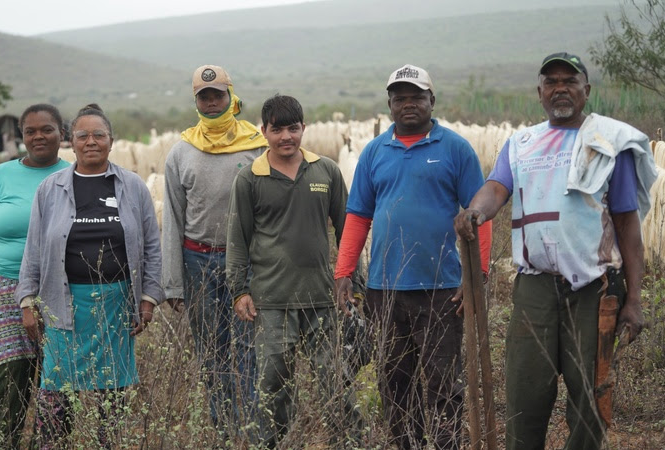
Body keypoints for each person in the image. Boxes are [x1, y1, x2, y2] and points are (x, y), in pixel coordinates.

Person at [454, 52, 657, 449]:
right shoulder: (522, 144)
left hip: (594, 289)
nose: (560, 88)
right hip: (535, 288)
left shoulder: (609, 143)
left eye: (569, 81)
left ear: (586, 90)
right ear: (539, 92)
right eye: (551, 82)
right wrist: (475, 211)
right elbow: (496, 188)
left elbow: (627, 225)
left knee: (591, 396)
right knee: (524, 394)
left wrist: (634, 299)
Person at [334, 64, 491, 449]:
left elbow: (479, 214)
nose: (408, 104)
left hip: (442, 290)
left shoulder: (455, 148)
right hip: (384, 290)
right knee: (394, 382)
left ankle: (446, 445)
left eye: (416, 97)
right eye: (399, 98)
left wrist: (478, 276)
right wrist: (344, 272)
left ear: (431, 100)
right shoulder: (374, 152)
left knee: (443, 383)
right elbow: (358, 216)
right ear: (389, 104)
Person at [16, 104, 163, 448]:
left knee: (112, 396)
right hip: (62, 304)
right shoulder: (50, 189)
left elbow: (152, 246)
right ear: (71, 141)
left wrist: (148, 298)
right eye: (83, 136)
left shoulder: (133, 186)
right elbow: (34, 248)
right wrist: (26, 300)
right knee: (55, 395)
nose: (91, 141)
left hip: (116, 305)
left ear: (112, 140)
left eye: (99, 135)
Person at [226, 94, 362, 448]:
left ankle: (349, 442)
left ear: (303, 128)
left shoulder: (326, 171)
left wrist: (352, 280)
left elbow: (347, 230)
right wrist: (239, 290)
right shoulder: (249, 178)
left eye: (292, 128)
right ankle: (274, 443)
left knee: (335, 380)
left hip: (321, 299)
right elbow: (237, 239)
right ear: (264, 132)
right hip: (272, 301)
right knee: (273, 385)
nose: (286, 137)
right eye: (277, 130)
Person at [162, 64, 266, 438]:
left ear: (230, 96)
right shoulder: (181, 152)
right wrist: (173, 283)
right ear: (196, 101)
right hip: (198, 261)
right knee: (212, 349)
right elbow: (172, 218)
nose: (211, 102)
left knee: (250, 347)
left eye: (217, 95)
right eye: (203, 97)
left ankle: (253, 429)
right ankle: (224, 428)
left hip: (246, 262)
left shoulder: (256, 144)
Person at [0, 104, 71, 448]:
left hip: (61, 288)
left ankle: (50, 444)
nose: (39, 136)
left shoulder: (74, 176)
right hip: (5, 285)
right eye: (30, 131)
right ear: (22, 136)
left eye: (47, 129)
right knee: (12, 371)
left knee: (58, 375)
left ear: (61, 133)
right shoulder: (0, 177)